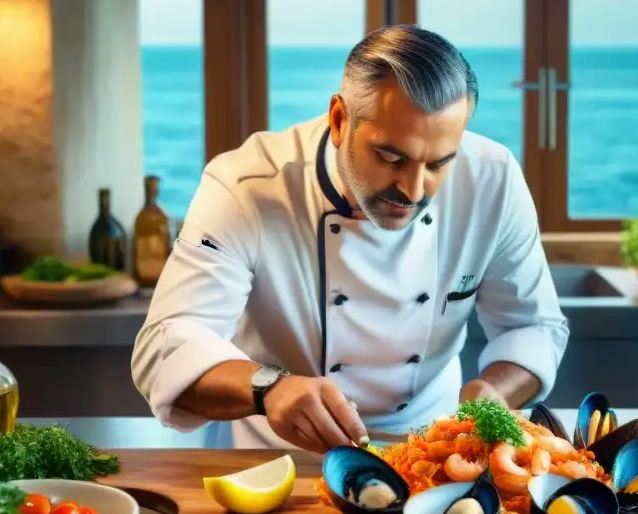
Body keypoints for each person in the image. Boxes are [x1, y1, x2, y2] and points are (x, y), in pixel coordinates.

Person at [131, 24, 569, 452]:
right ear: (340, 120)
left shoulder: (493, 178)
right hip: (278, 453)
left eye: (438, 163)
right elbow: (165, 345)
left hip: (435, 447)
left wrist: (491, 394)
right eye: (390, 156)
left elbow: (533, 325)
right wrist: (268, 388)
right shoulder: (247, 184)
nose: (414, 191)